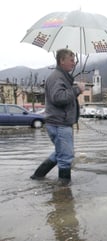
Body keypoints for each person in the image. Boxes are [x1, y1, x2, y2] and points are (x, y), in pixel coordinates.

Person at [30, 48, 85, 185]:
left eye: (75, 60)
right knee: (66, 157)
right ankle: (63, 193)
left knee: (60, 153)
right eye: (71, 60)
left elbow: (62, 96)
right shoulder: (57, 77)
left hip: (59, 123)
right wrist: (77, 89)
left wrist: (74, 89)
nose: (74, 63)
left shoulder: (61, 77)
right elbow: (58, 98)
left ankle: (37, 177)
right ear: (61, 60)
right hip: (60, 124)